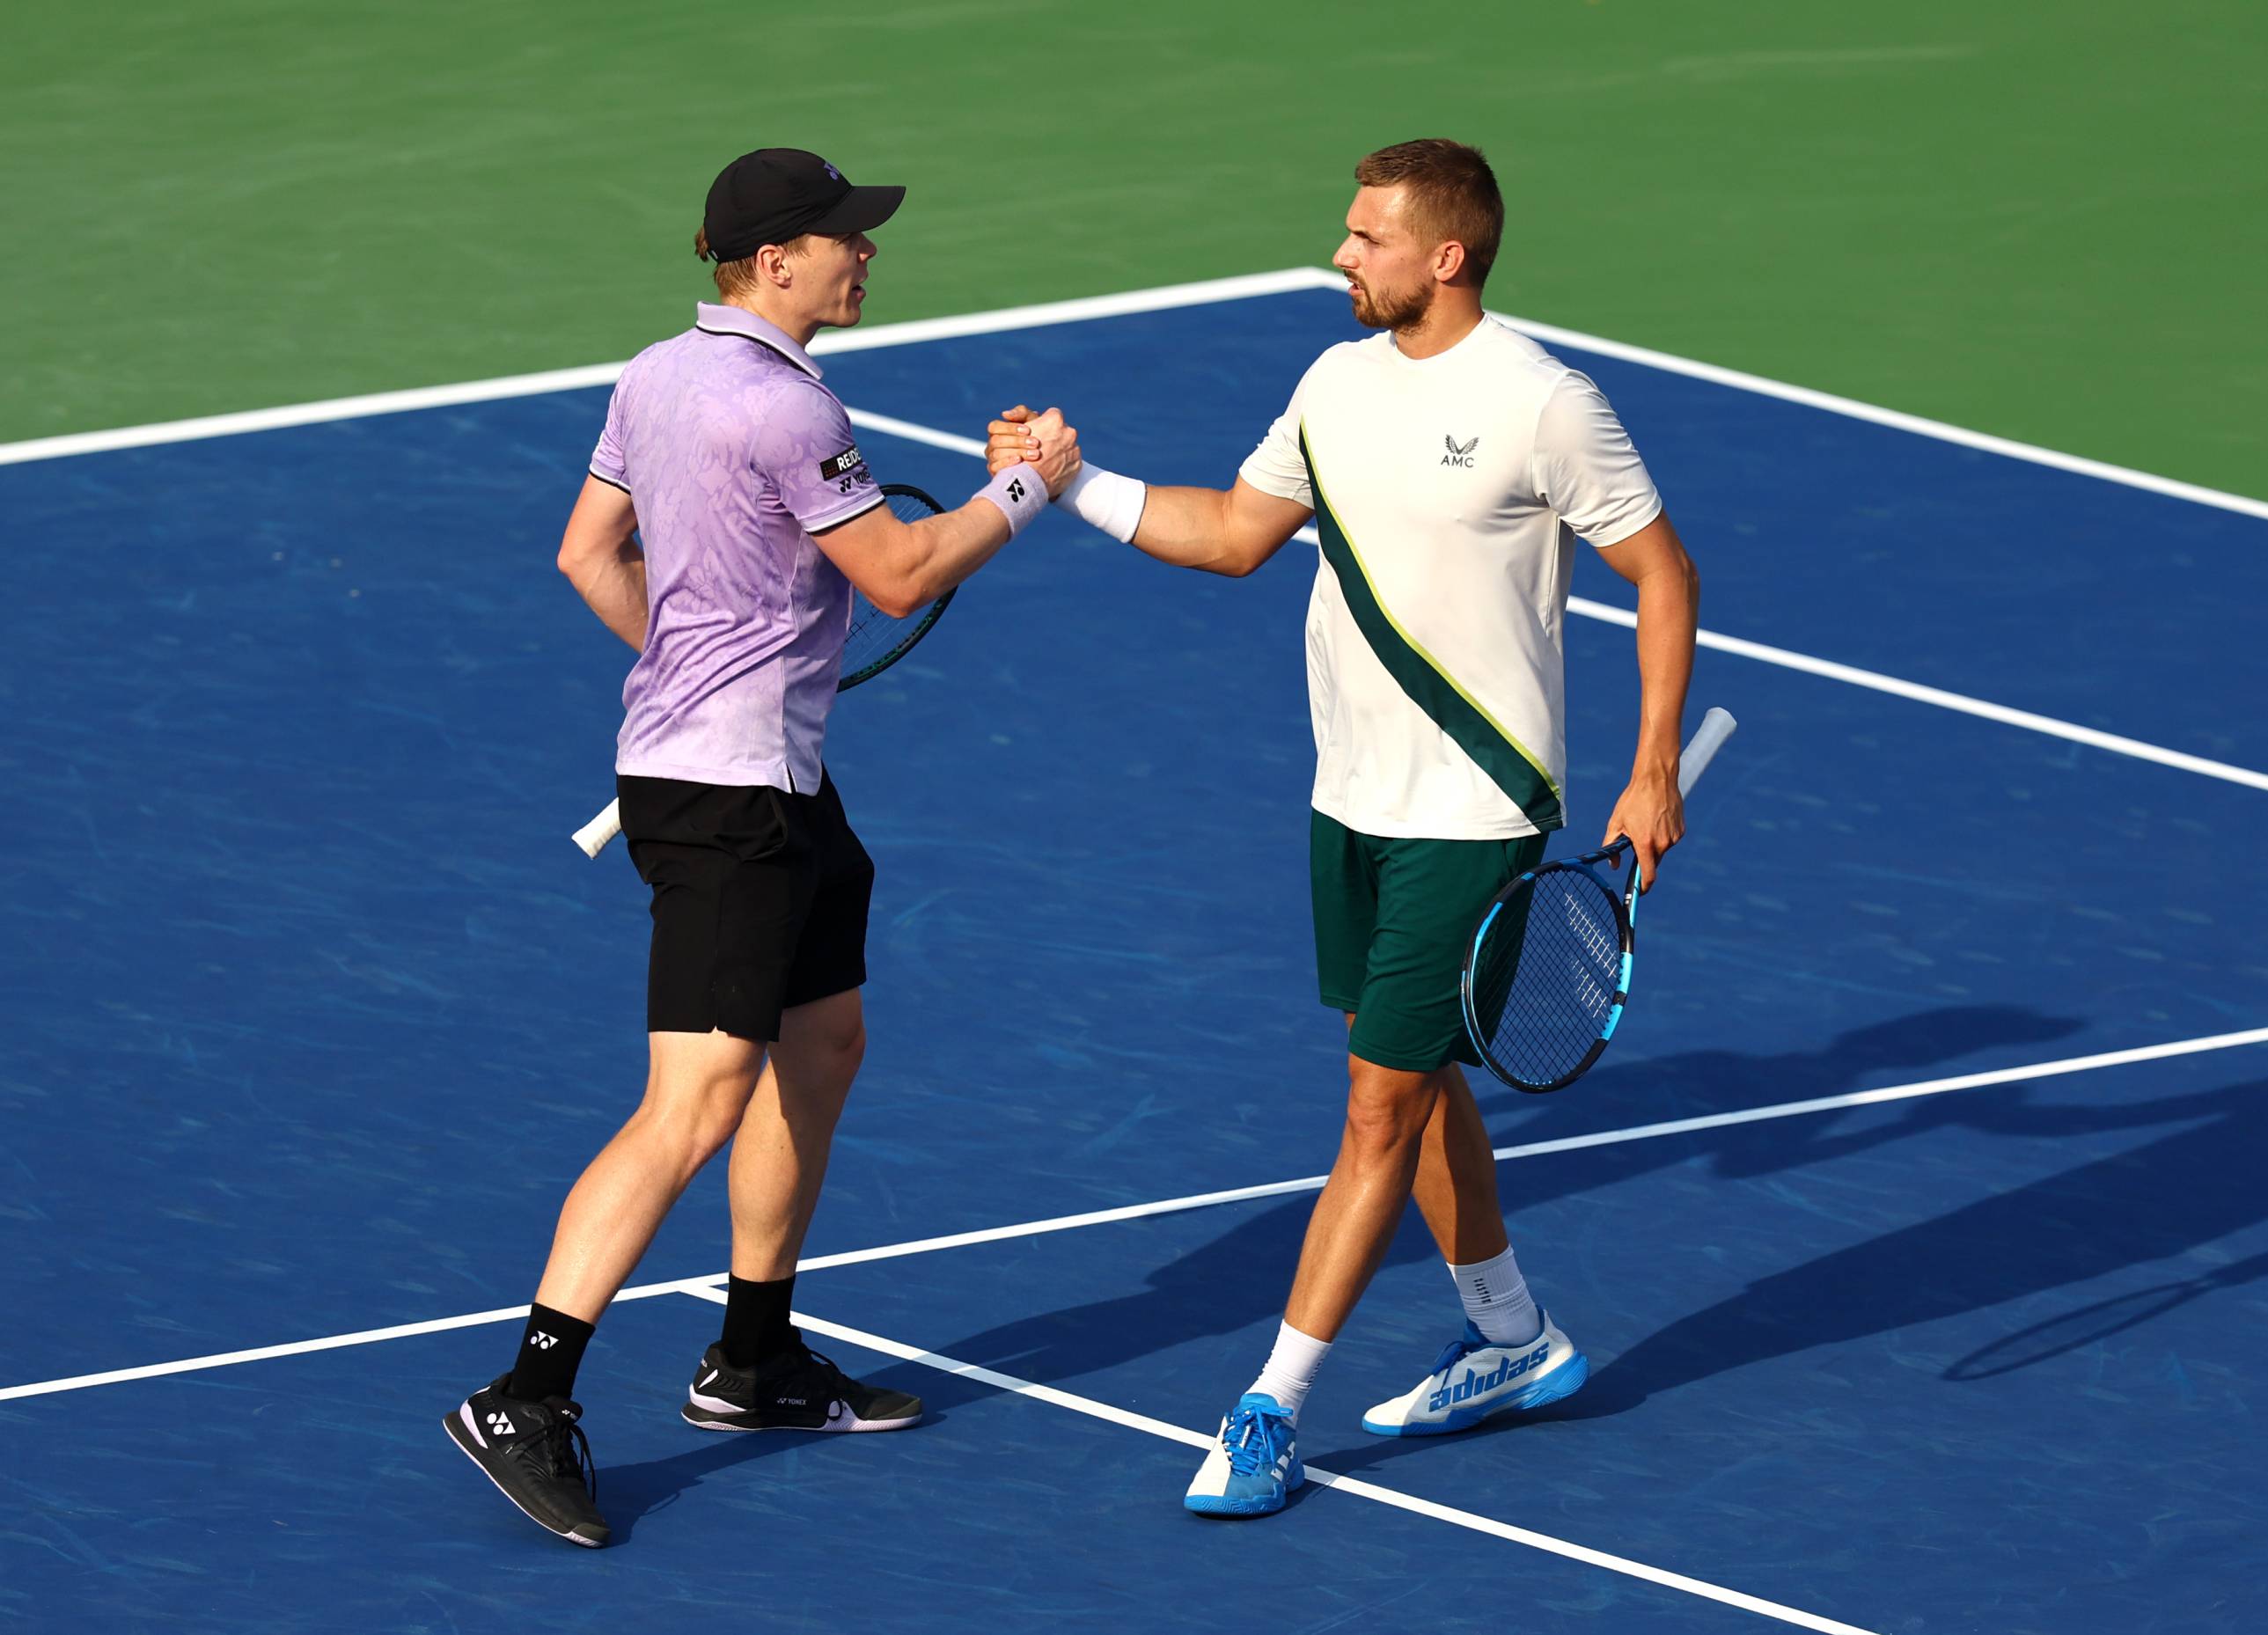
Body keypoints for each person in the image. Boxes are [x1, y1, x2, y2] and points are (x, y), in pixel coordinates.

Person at [988, 138, 1699, 1519]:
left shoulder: (1544, 404)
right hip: (1350, 799)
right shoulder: (1331, 382)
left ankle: (1270, 1405)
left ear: (1444, 254)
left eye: (1365, 236)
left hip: (1472, 814)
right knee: (1417, 1081)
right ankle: (1514, 1338)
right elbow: (1237, 532)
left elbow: (1659, 571)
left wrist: (1650, 764)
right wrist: (1071, 484)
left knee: (1377, 1103)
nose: (1340, 254)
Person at [444, 146, 1081, 1547]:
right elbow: (902, 572)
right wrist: (1031, 485)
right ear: (772, 259)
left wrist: (695, 671)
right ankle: (524, 1391)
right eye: (843, 238)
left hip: (752, 776)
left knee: (824, 1037)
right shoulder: (789, 405)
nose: (865, 254)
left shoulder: (655, 373)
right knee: (699, 1096)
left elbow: (586, 555)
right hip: (732, 798)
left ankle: (754, 1356)